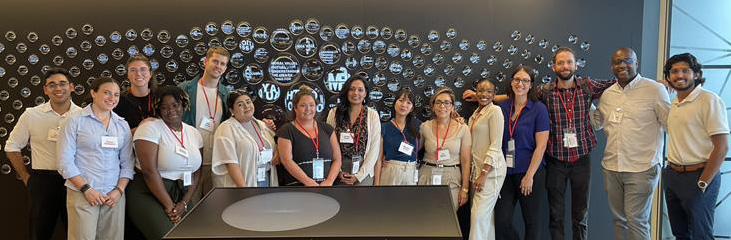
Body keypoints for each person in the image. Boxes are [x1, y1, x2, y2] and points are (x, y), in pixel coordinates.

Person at [598, 47, 670, 240]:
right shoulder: (608, 94)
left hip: (642, 167)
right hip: (612, 167)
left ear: (636, 63)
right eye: (617, 62)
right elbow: (598, 122)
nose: (622, 65)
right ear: (612, 66)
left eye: (627, 61)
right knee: (619, 220)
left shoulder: (655, 89)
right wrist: (580, 102)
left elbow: (670, 123)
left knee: (636, 220)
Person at [4, 67, 81, 239]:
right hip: (43, 183)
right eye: (52, 85)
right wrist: (26, 178)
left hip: (76, 181)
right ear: (45, 90)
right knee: (39, 234)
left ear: (72, 87)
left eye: (62, 84)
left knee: (78, 234)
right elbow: (12, 146)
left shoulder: (83, 115)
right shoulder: (32, 115)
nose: (58, 88)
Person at [56, 77, 134, 239]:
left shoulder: (122, 125)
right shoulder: (74, 120)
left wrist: (119, 190)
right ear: (93, 93)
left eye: (116, 95)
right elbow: (64, 162)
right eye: (107, 93)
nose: (112, 98)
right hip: (82, 193)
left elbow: (127, 163)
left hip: (113, 196)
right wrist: (86, 189)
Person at [663, 53, 727, 240]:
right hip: (673, 175)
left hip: (699, 175)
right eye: (674, 72)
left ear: (697, 74)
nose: (679, 75)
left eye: (685, 71)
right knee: (680, 233)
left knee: (701, 235)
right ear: (668, 77)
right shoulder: (674, 102)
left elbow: (722, 147)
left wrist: (703, 182)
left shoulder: (709, 100)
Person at [125, 86, 203, 240]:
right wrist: (170, 207)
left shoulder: (193, 132)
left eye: (175, 105)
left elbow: (196, 172)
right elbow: (149, 171)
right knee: (170, 236)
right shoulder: (149, 128)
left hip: (181, 193)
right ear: (157, 109)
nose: (171, 110)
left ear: (183, 105)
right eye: (164, 107)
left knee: (196, 234)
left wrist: (184, 203)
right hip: (148, 192)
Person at [494, 65, 550, 240]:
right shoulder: (501, 108)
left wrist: (529, 176)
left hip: (530, 172)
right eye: (517, 79)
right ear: (511, 82)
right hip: (506, 172)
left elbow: (541, 146)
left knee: (531, 223)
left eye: (525, 80)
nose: (520, 84)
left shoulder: (538, 109)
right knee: (501, 222)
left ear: (531, 85)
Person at [177, 46, 231, 197]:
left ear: (225, 68)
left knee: (213, 207)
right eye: (215, 61)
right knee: (189, 205)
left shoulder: (226, 94)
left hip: (216, 160)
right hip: (190, 160)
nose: (218, 66)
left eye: (222, 63)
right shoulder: (185, 89)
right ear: (205, 62)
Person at [277, 85, 342, 186]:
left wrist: (329, 181)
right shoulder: (286, 130)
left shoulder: (327, 129)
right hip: (298, 187)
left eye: (311, 105)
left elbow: (337, 159)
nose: (308, 109)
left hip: (327, 188)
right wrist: (309, 182)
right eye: (303, 105)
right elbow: (287, 161)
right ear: (295, 108)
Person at [212, 90, 279, 187]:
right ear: (232, 111)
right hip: (242, 185)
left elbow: (274, 145)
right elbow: (230, 163)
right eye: (240, 104)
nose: (246, 106)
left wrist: (277, 152)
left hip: (266, 179)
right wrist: (244, 190)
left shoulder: (262, 124)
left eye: (248, 102)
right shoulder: (226, 128)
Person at [418, 87, 471, 210]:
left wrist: (465, 188)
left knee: (447, 220)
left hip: (451, 180)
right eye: (438, 102)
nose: (442, 106)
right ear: (433, 106)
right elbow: (414, 151)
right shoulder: (424, 127)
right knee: (425, 219)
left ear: (452, 107)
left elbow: (466, 161)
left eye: (447, 102)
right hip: (426, 176)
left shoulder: (462, 129)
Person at [467, 79, 506, 240]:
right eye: (481, 90)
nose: (484, 94)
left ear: (494, 94)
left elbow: (495, 146)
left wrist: (484, 173)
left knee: (477, 216)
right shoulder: (474, 115)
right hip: (476, 173)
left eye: (489, 91)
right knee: (484, 219)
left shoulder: (495, 111)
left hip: (491, 172)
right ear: (476, 93)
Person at [326, 77, 381, 185]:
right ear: (346, 91)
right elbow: (328, 144)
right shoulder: (334, 113)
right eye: (352, 89)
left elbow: (374, 149)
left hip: (363, 169)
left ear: (365, 93)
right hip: (338, 169)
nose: (355, 93)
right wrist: (338, 171)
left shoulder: (372, 115)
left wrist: (359, 175)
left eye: (360, 90)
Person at [375, 88, 421, 185]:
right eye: (400, 100)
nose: (404, 105)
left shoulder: (418, 126)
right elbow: (379, 159)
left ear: (412, 107)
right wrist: (377, 184)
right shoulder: (384, 127)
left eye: (408, 102)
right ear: (395, 103)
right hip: (390, 172)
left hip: (411, 172)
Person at [114, 54, 157, 133]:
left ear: (150, 73)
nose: (138, 73)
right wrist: (139, 130)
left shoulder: (160, 98)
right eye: (133, 70)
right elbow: (113, 134)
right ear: (127, 74)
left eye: (143, 69)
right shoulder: (118, 101)